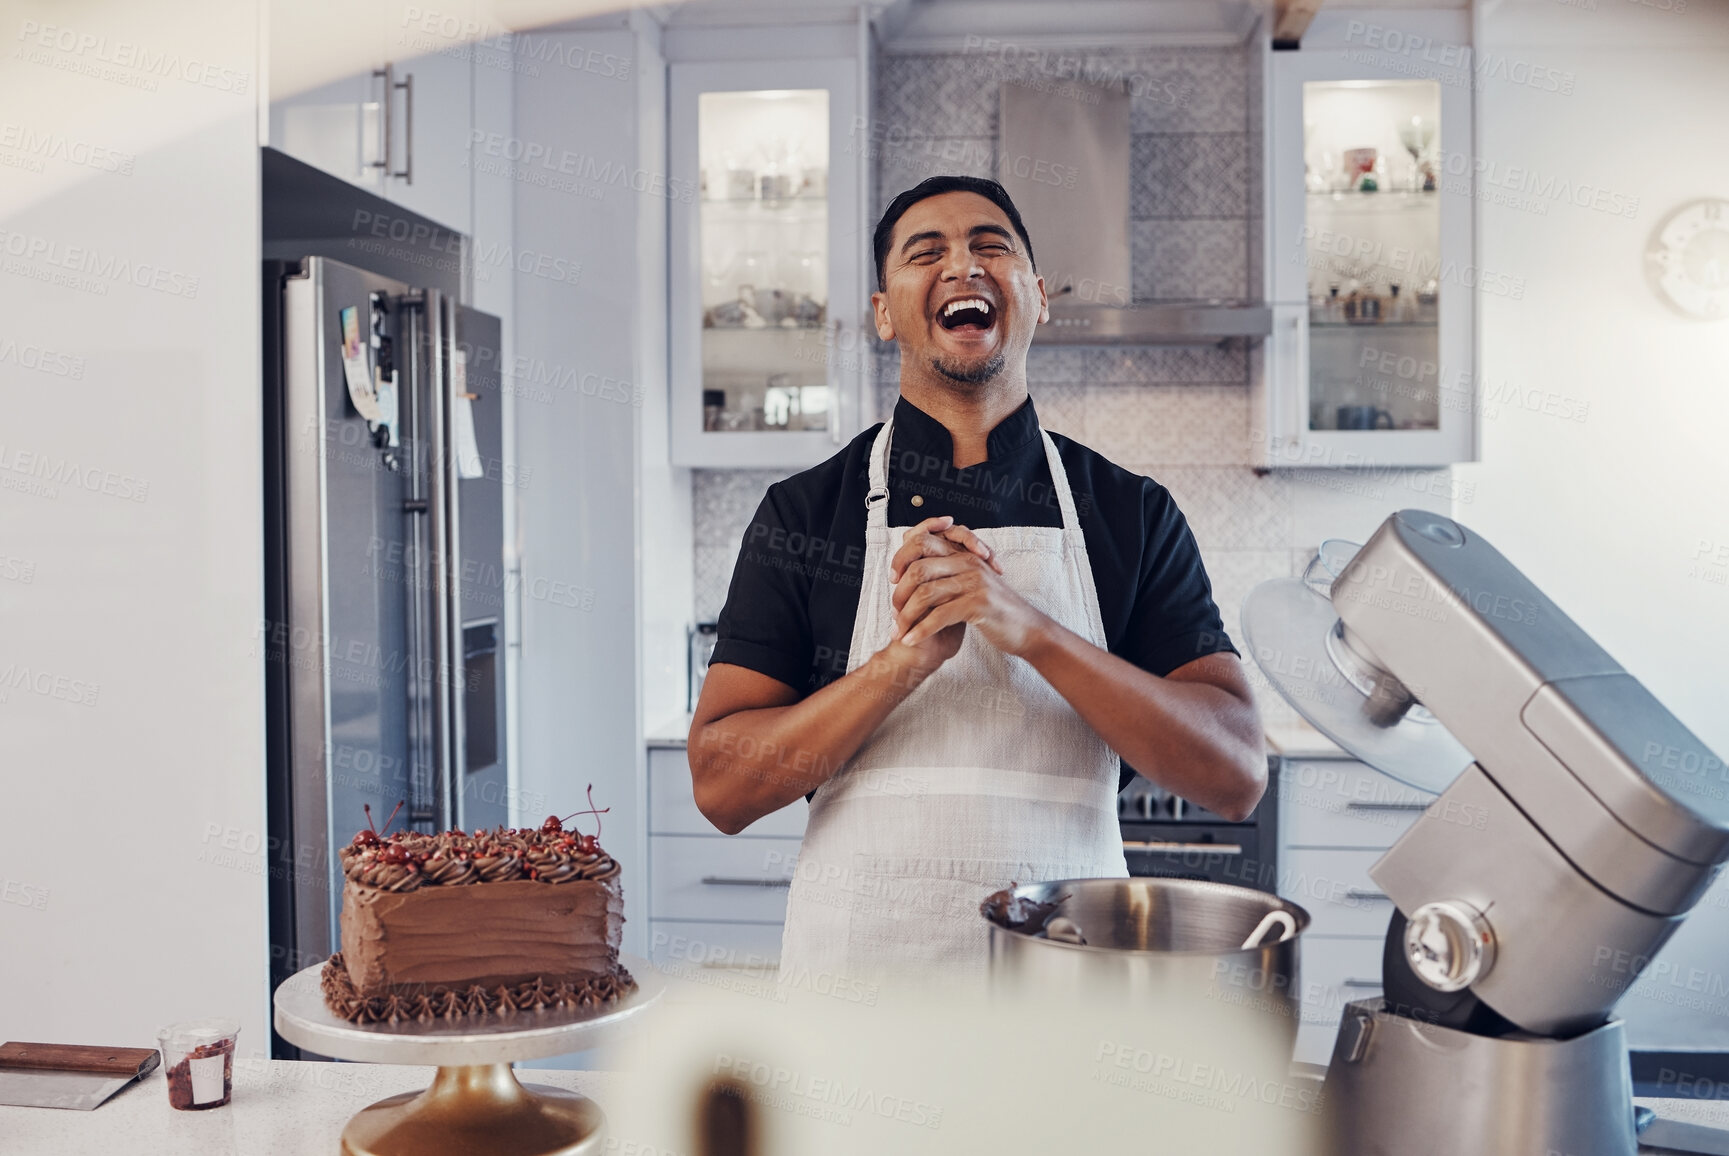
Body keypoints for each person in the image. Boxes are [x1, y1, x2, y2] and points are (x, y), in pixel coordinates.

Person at [688, 174, 1266, 978]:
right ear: (884, 311)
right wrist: (901, 665)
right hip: (861, 1009)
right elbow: (721, 789)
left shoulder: (1129, 513)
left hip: (1066, 999)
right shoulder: (805, 515)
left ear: (1035, 295)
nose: (962, 266)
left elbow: (1235, 775)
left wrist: (1033, 633)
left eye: (990, 246)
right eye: (925, 253)